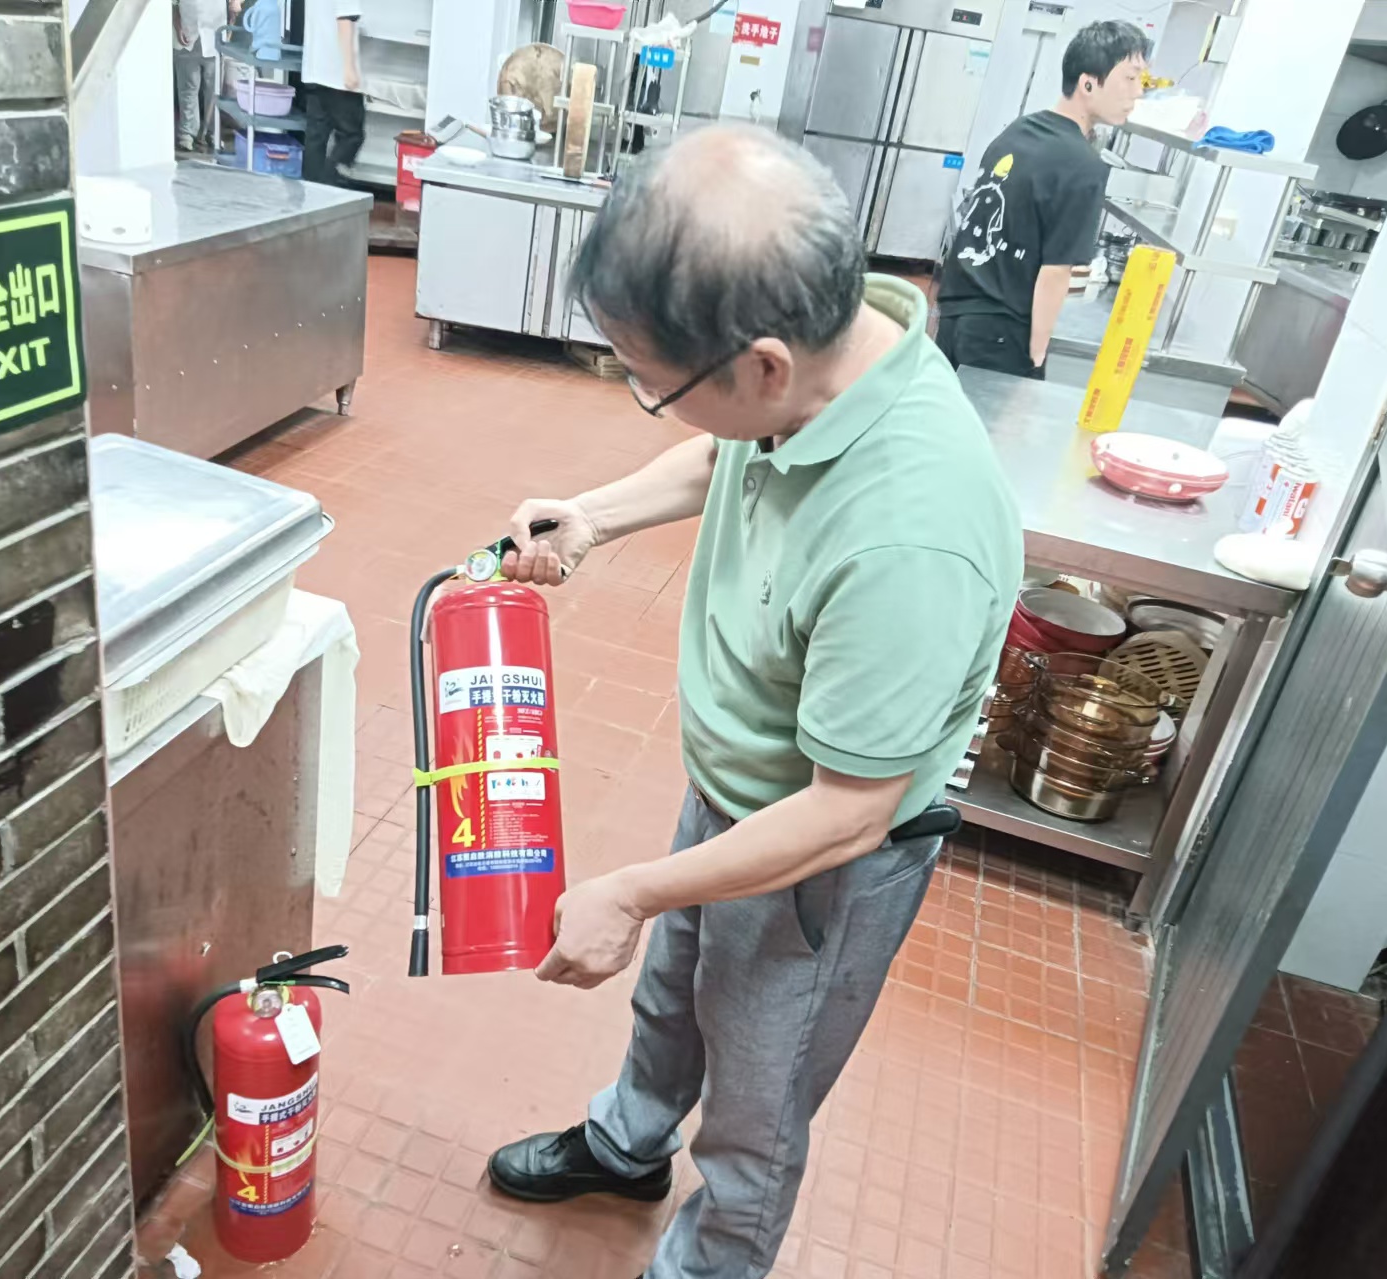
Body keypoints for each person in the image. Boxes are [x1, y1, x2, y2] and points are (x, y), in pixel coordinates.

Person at [483, 126, 1023, 1279]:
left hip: (821, 858)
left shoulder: (911, 535)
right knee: (673, 998)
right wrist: (593, 515)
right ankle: (626, 1142)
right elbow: (730, 450)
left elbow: (845, 813)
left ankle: (710, 1262)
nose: (649, 399)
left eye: (651, 383)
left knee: (756, 1099)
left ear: (764, 363)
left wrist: (630, 889)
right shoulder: (825, 370)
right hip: (735, 789)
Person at [935, 20, 1151, 379]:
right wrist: (1036, 356)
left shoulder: (1017, 131)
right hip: (1002, 334)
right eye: (1129, 78)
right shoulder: (1083, 166)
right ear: (1088, 83)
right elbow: (1055, 273)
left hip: (956, 315)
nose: (1138, 92)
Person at [300, 0, 364, 186]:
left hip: (314, 69)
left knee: (316, 136)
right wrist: (349, 68)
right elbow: (344, 20)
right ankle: (330, 181)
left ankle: (311, 190)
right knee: (352, 135)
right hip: (336, 75)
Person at [173, 0, 228, 153]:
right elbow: (172, 3)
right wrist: (177, 25)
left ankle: (212, 132)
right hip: (187, 33)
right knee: (187, 88)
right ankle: (187, 133)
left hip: (215, 34)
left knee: (214, 91)